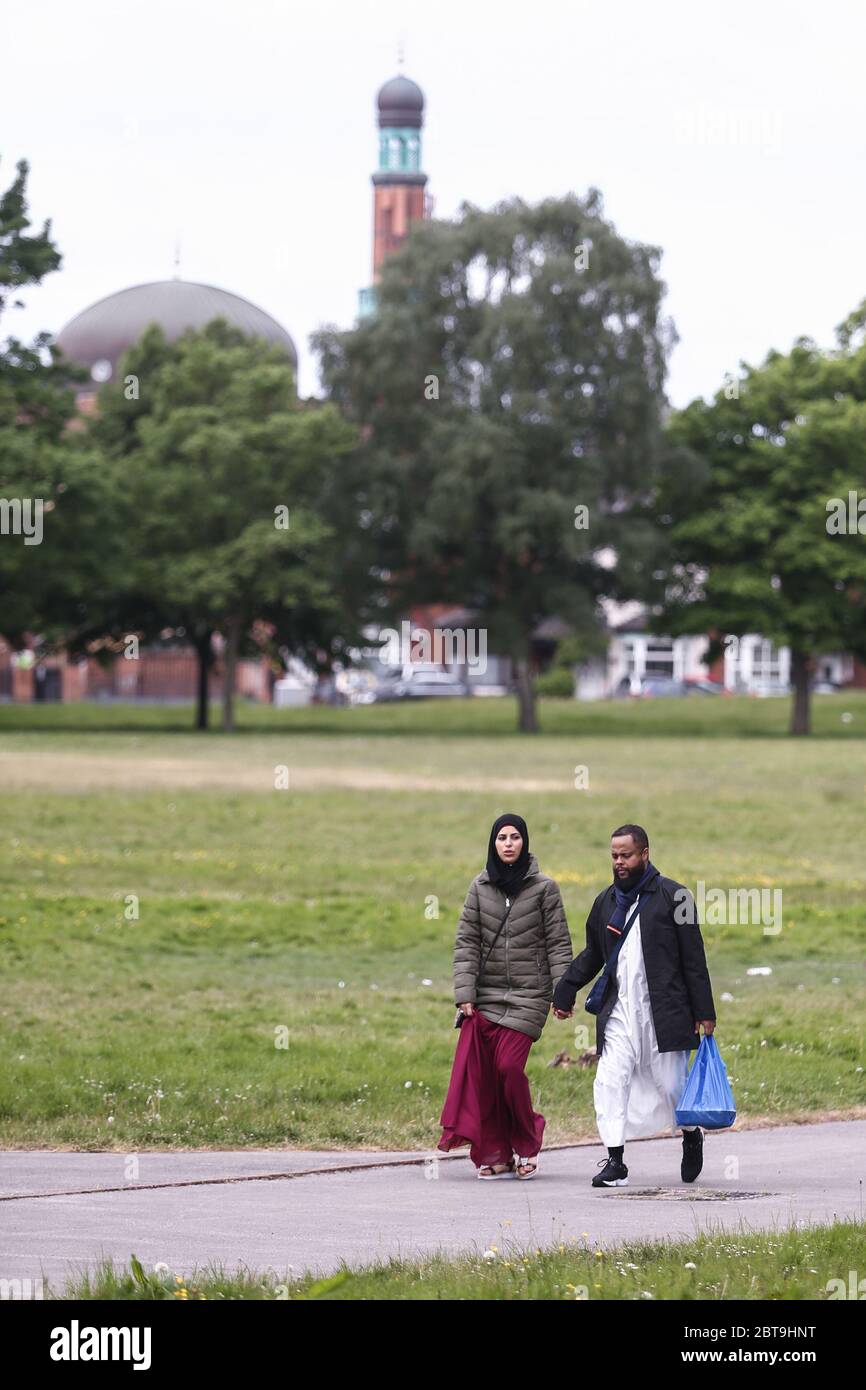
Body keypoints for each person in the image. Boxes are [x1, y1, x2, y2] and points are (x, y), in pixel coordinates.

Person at [552, 824, 715, 1186]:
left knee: (672, 1085)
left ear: (645, 853)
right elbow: (594, 953)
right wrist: (566, 988)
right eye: (614, 856)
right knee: (609, 1079)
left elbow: (694, 960)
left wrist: (704, 1013)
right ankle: (615, 1162)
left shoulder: (676, 897)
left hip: (665, 1012)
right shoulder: (606, 901)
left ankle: (690, 1134)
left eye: (626, 855)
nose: (619, 862)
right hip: (620, 1012)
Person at [438, 813, 573, 1180]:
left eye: (515, 837)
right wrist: (464, 994)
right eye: (502, 837)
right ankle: (497, 1153)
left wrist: (563, 994)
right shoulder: (479, 887)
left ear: (525, 842)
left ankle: (528, 1141)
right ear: (493, 844)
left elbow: (559, 944)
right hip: (487, 998)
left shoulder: (545, 888)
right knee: (487, 1079)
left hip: (530, 996)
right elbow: (466, 942)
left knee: (509, 1069)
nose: (509, 843)